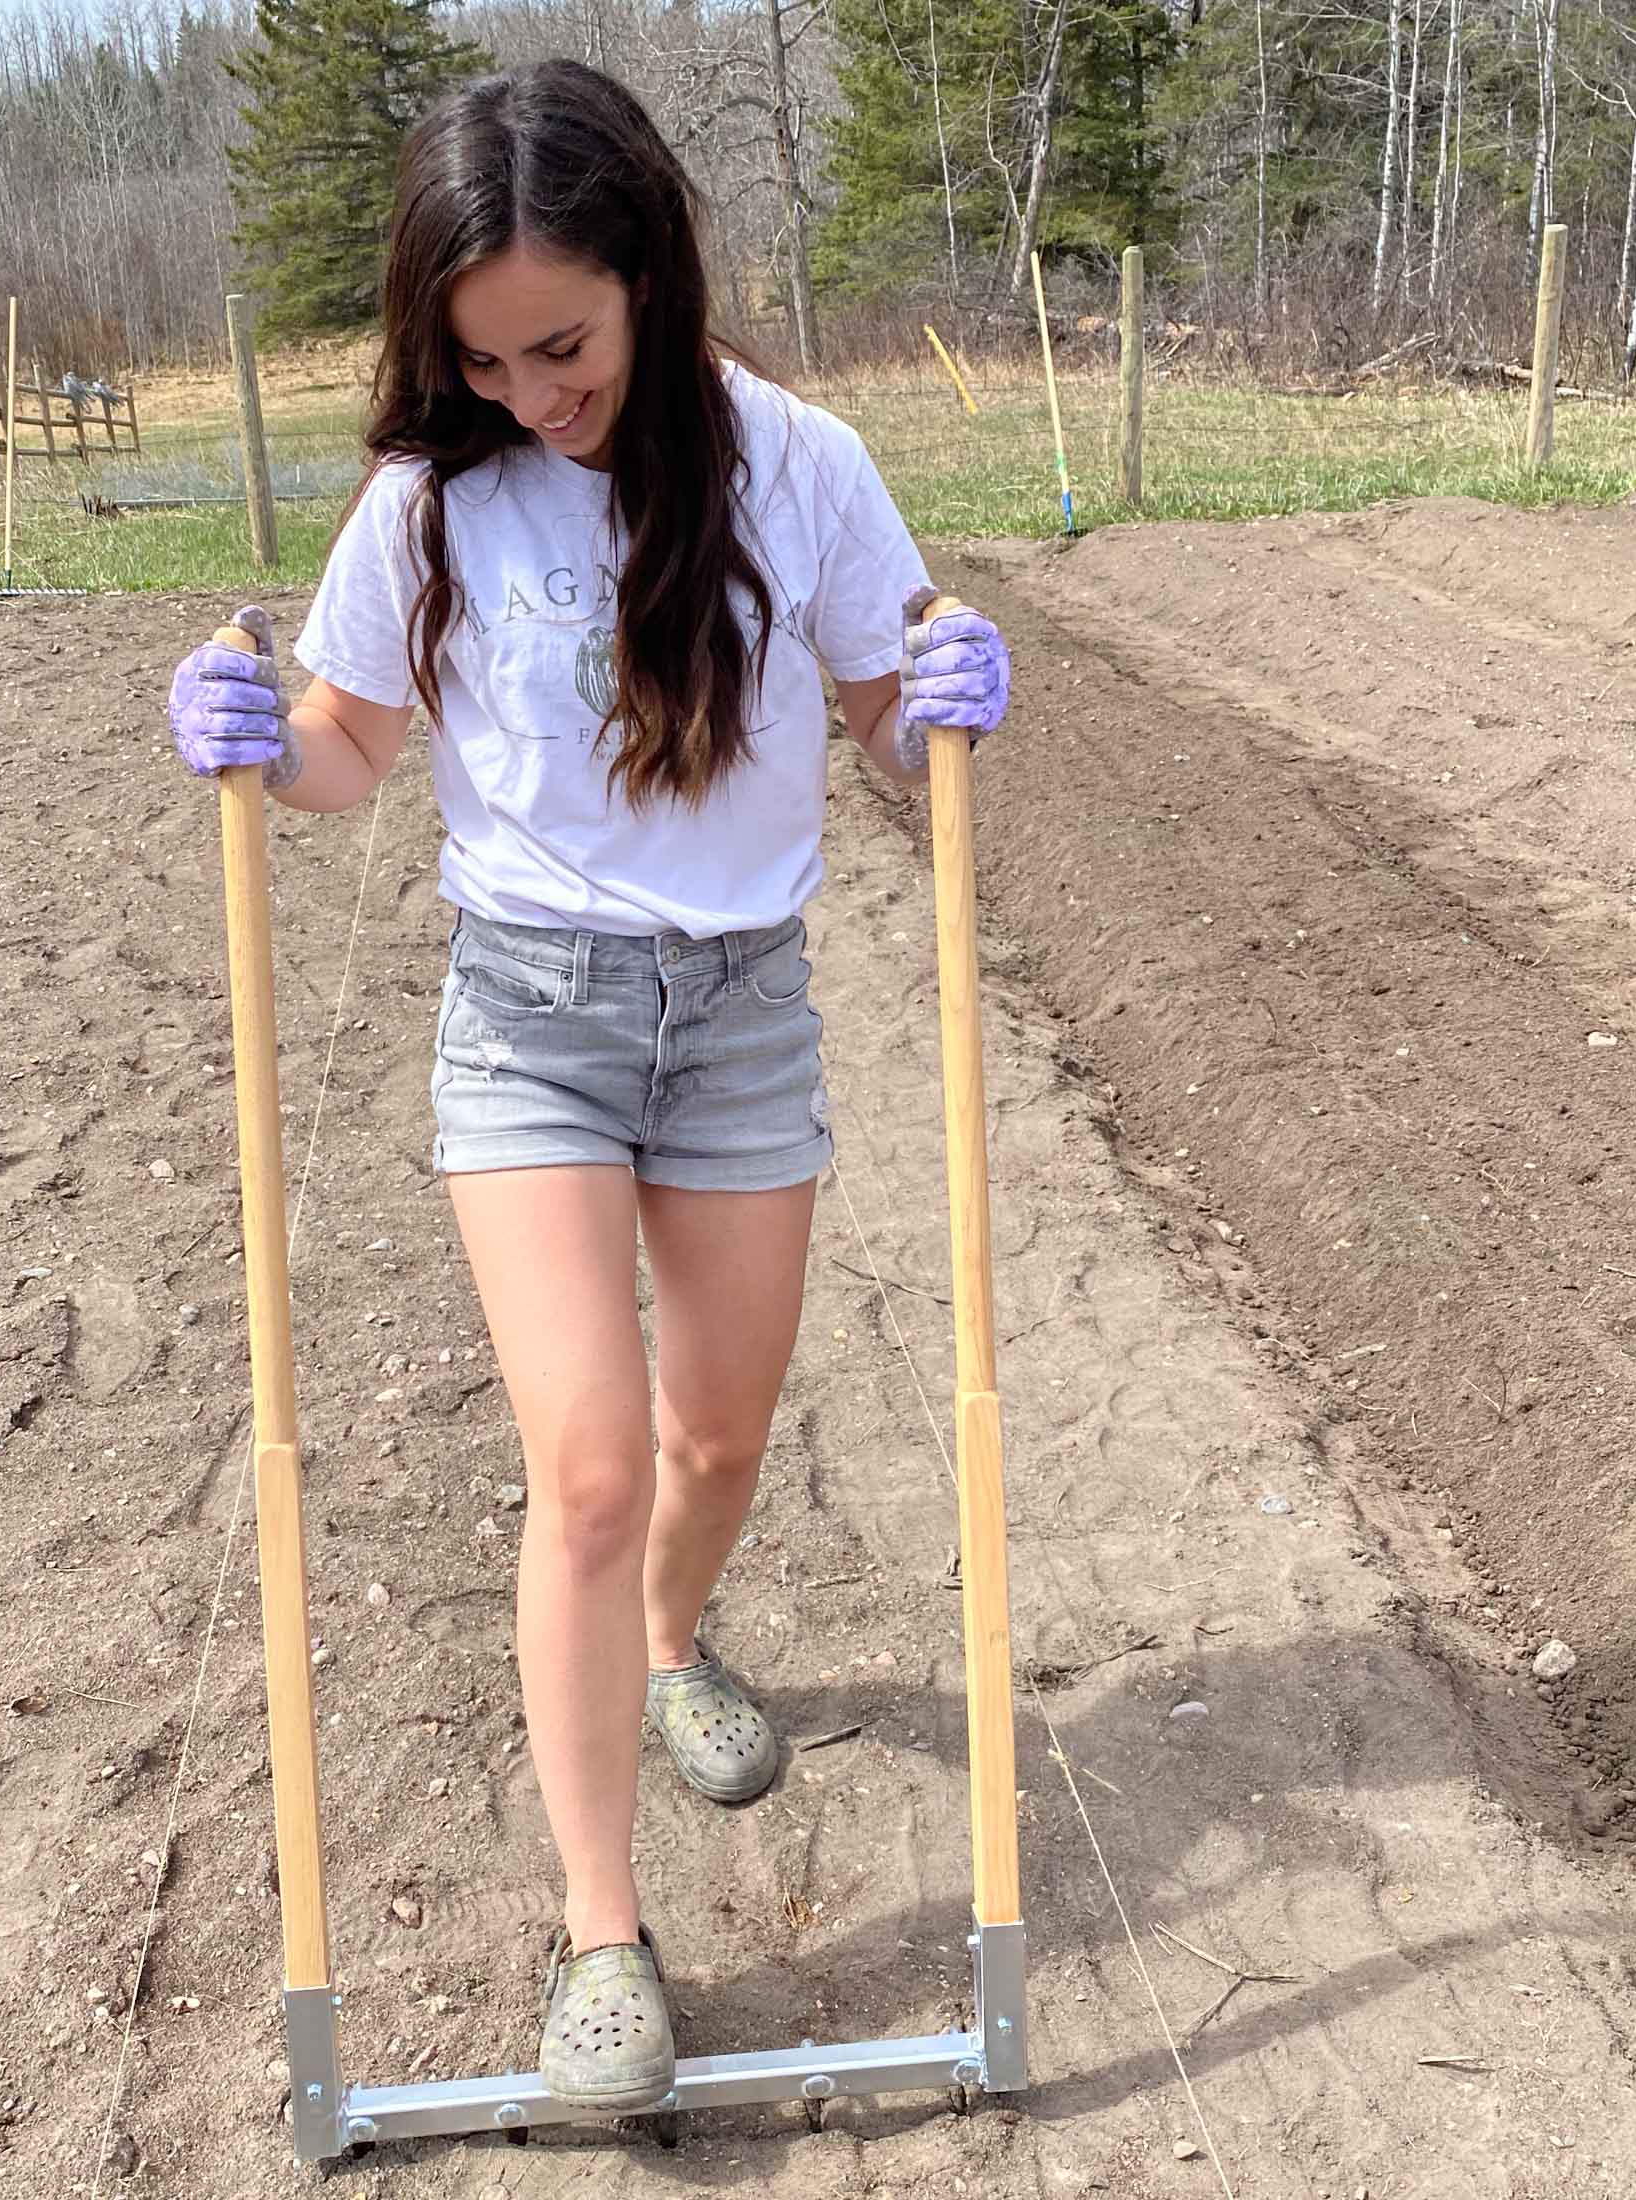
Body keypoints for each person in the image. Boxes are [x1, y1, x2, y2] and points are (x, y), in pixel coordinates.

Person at [166, 58, 1011, 2113]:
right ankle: (602, 1935)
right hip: (530, 1010)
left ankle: (663, 1643)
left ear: (646, 269)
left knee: (711, 1445)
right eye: (485, 356)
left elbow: (891, 710)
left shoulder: (794, 464)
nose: (535, 390)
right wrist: (261, 737)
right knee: (597, 1454)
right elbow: (357, 745)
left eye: (561, 342)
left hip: (740, 1009)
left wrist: (941, 691)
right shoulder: (432, 501)